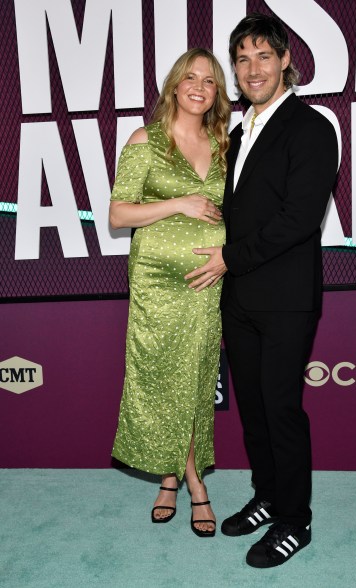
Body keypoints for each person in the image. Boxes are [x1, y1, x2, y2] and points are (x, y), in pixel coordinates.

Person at [184, 14, 338, 565]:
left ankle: (296, 520)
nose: (253, 69)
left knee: (281, 408)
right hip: (240, 297)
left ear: (285, 61)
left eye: (263, 57)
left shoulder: (312, 127)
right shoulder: (237, 131)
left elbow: (297, 219)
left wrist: (228, 257)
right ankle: (268, 496)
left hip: (285, 297)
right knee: (252, 407)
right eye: (242, 59)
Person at [109, 48, 230, 538]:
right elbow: (119, 214)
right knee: (162, 376)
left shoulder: (225, 143)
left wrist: (231, 254)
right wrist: (180, 201)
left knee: (196, 377)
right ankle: (190, 481)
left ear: (217, 92)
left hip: (208, 280)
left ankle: (171, 478)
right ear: (175, 85)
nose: (199, 86)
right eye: (191, 77)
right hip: (158, 279)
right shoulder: (147, 140)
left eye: (210, 80)